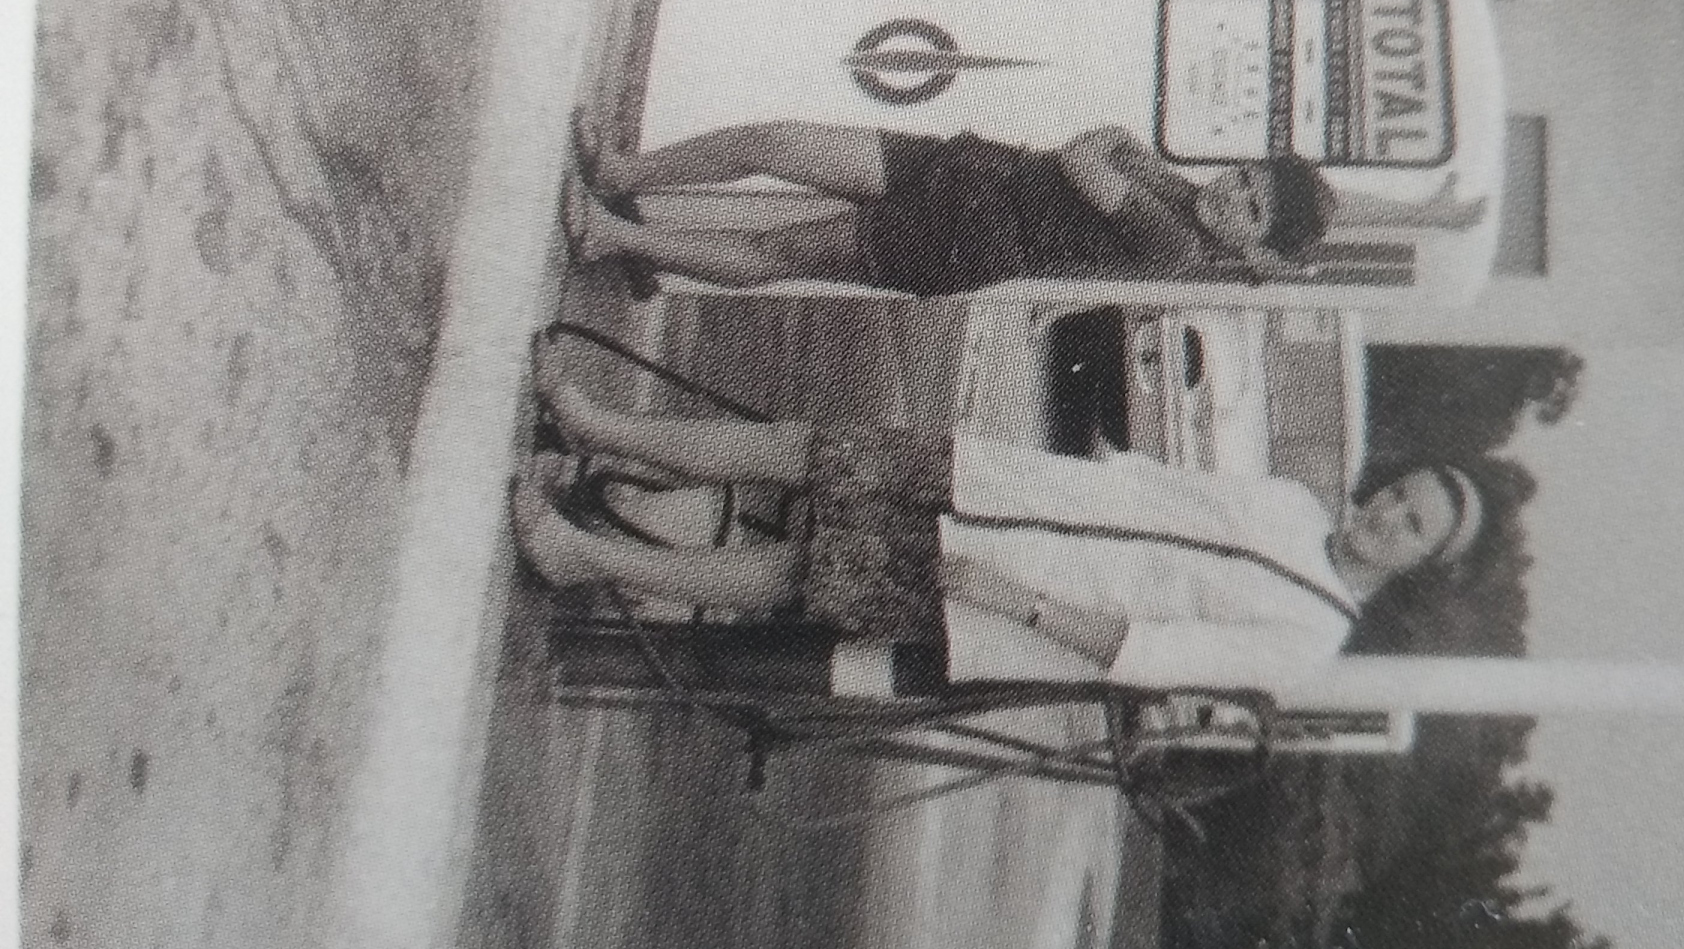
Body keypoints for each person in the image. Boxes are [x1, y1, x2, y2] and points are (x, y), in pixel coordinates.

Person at [513, 331, 1488, 692]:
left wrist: (1010, 599)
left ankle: (578, 557)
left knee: (792, 574)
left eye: (1411, 526)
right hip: (996, 480)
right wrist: (1077, 469)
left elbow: (1144, 652)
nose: (1387, 513)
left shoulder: (1308, 641)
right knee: (800, 450)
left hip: (998, 591)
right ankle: (592, 424)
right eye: (1400, 494)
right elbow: (1158, 488)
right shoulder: (1292, 504)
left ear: (1417, 567)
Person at [561, 111, 1485, 297]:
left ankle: (606, 235)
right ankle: (620, 172)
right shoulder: (1179, 191)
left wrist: (1113, 143)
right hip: (967, 167)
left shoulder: (1173, 245)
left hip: (963, 236)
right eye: (1244, 177)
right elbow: (1093, 156)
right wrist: (1423, 212)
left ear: (1252, 245)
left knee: (778, 254)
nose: (1232, 192)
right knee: (773, 142)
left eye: (1249, 208)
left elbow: (1086, 154)